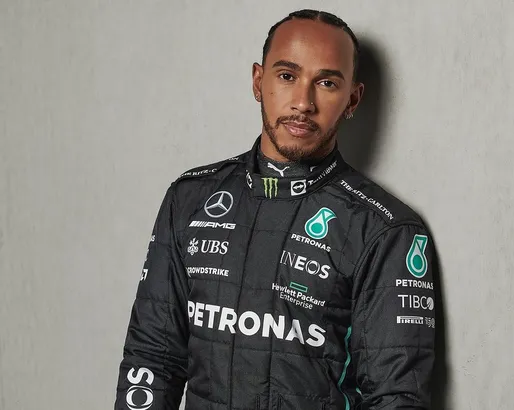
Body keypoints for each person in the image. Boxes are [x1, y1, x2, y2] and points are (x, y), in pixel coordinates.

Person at [115, 9, 437, 410]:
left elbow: (396, 398)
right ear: (257, 81)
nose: (303, 102)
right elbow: (152, 358)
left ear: (352, 99)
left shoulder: (384, 229)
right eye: (287, 76)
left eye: (327, 83)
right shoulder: (190, 198)